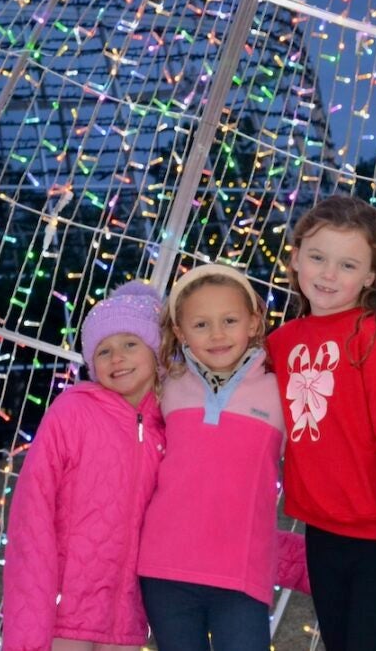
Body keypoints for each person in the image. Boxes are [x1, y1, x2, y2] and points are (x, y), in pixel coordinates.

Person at [266, 195, 376, 651]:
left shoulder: (375, 341)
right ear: (295, 258)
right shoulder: (280, 343)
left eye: (347, 265)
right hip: (322, 534)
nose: (328, 274)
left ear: (371, 277)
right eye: (318, 257)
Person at [2, 282, 165, 651]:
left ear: (155, 350)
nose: (117, 357)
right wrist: (31, 617)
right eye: (103, 350)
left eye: (130, 344)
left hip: (128, 617)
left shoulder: (171, 423)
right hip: (65, 613)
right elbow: (33, 512)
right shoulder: (72, 412)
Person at [136, 263, 290, 651]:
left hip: (243, 574)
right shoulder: (165, 386)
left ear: (254, 323)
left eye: (229, 320)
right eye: (201, 324)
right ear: (180, 332)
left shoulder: (280, 390)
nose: (217, 334)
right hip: (165, 570)